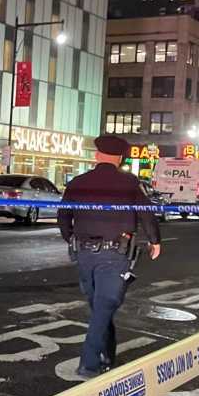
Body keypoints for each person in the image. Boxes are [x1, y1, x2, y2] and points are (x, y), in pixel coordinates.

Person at [59, 135, 162, 378]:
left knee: (99, 306)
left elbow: (64, 218)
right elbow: (146, 214)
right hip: (115, 253)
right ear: (120, 158)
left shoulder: (77, 182)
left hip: (83, 253)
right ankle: (89, 363)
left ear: (97, 155)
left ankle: (107, 353)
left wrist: (73, 239)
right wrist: (155, 241)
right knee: (104, 305)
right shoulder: (129, 183)